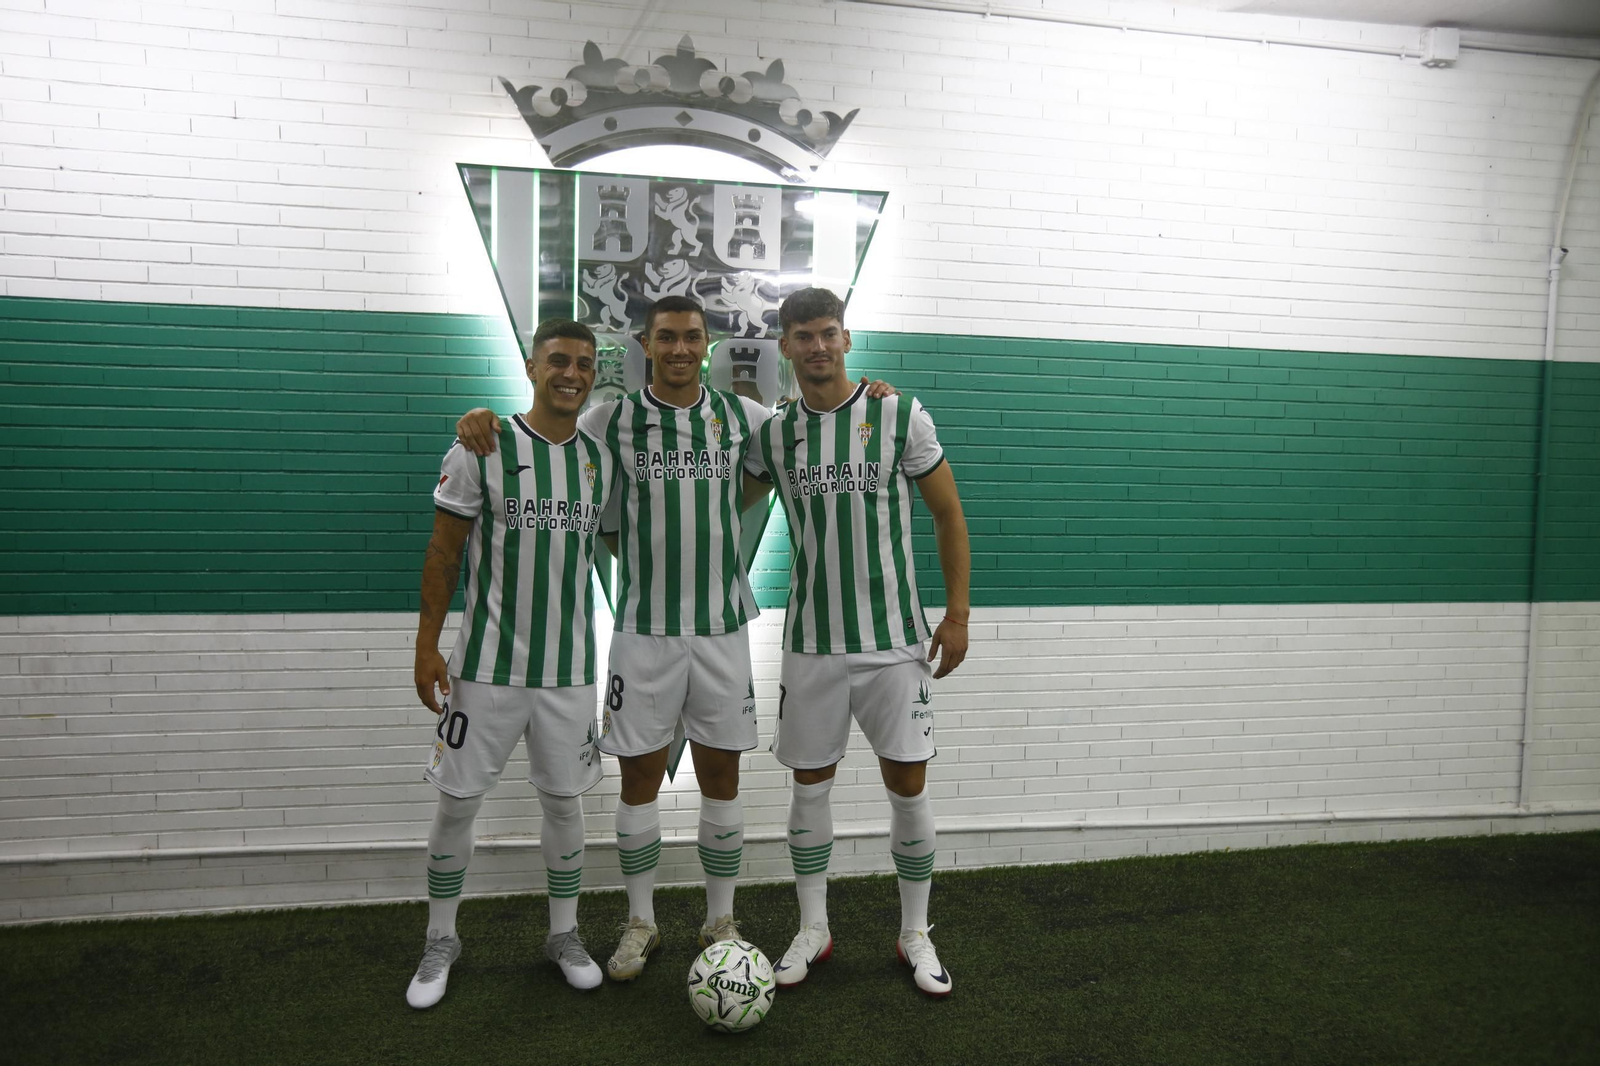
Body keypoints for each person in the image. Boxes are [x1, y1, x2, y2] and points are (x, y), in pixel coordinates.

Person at [453, 295, 896, 983]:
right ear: (645, 343)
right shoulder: (611, 419)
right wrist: (480, 421)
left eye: (693, 337)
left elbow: (808, 432)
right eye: (667, 338)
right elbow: (555, 439)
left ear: (710, 345)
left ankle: (720, 919)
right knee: (638, 782)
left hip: (721, 630)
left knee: (723, 777)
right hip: (642, 633)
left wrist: (880, 395)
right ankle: (641, 921)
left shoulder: (742, 418)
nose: (682, 349)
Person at [743, 287, 971, 998]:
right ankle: (814, 928)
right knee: (810, 782)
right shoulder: (775, 435)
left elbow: (948, 515)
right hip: (811, 642)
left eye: (828, 333)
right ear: (784, 346)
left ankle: (915, 933)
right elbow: (721, 502)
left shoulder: (898, 414)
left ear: (847, 338)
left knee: (907, 782)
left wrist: (957, 613)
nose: (816, 346)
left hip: (895, 642)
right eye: (802, 335)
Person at [406, 319, 617, 1008]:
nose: (572, 372)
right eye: (559, 359)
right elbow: (443, 554)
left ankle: (564, 933)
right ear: (532, 366)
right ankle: (441, 938)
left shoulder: (598, 459)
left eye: (584, 363)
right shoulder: (483, 446)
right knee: (458, 802)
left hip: (568, 672)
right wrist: (426, 646)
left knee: (563, 803)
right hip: (487, 670)